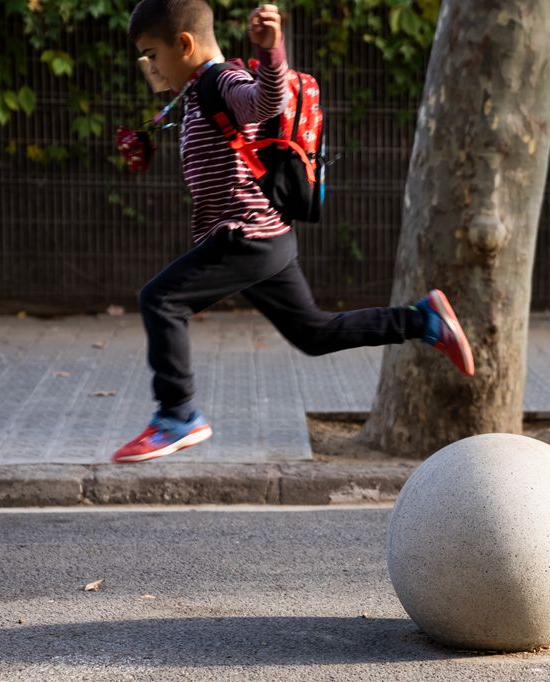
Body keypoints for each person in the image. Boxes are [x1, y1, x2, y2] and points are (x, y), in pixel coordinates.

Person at [113, 0, 473, 464]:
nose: (150, 67)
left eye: (152, 54)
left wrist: (272, 53)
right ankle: (423, 320)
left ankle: (178, 415)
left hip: (245, 237)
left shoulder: (223, 81)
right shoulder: (196, 90)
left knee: (160, 299)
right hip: (270, 240)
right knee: (315, 334)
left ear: (183, 44)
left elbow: (268, 102)